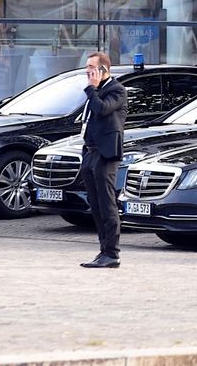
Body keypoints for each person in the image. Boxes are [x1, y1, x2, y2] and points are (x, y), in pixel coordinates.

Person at [80, 51, 127, 268]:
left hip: (106, 153)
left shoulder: (116, 90)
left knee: (107, 203)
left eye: (92, 67)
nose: (88, 72)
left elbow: (102, 109)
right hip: (90, 152)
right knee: (95, 203)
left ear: (104, 69)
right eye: (87, 67)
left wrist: (92, 89)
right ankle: (103, 250)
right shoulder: (97, 91)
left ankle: (112, 253)